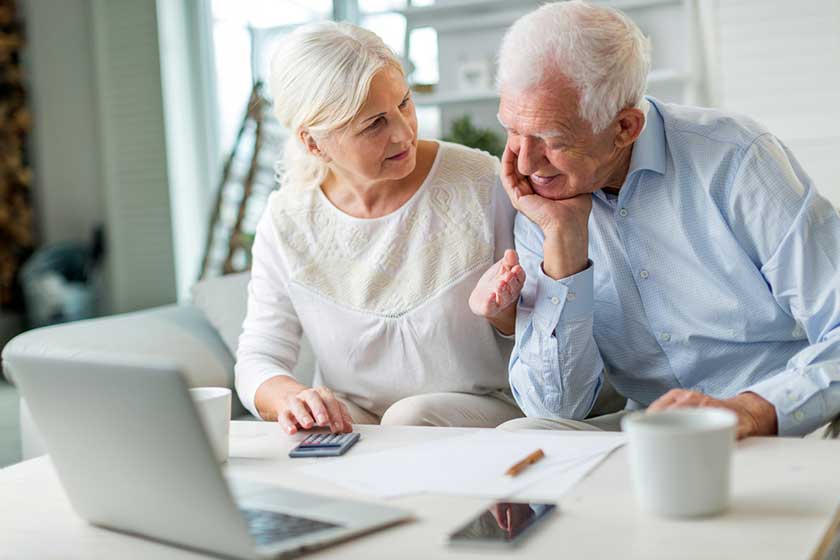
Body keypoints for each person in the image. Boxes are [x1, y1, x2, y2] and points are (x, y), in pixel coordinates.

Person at [470, 0, 840, 438]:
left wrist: (753, 410)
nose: (527, 162)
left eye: (551, 138)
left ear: (626, 127)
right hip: (651, 431)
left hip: (775, 420)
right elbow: (553, 406)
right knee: (522, 436)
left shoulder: (736, 158)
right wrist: (563, 242)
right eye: (513, 130)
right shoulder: (541, 197)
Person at [235, 21, 525, 435]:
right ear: (314, 143)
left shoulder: (481, 182)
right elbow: (258, 357)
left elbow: (552, 327)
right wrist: (290, 398)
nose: (404, 133)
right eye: (374, 124)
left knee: (409, 418)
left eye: (404, 103)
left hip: (484, 414)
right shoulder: (287, 220)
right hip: (359, 426)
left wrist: (506, 313)